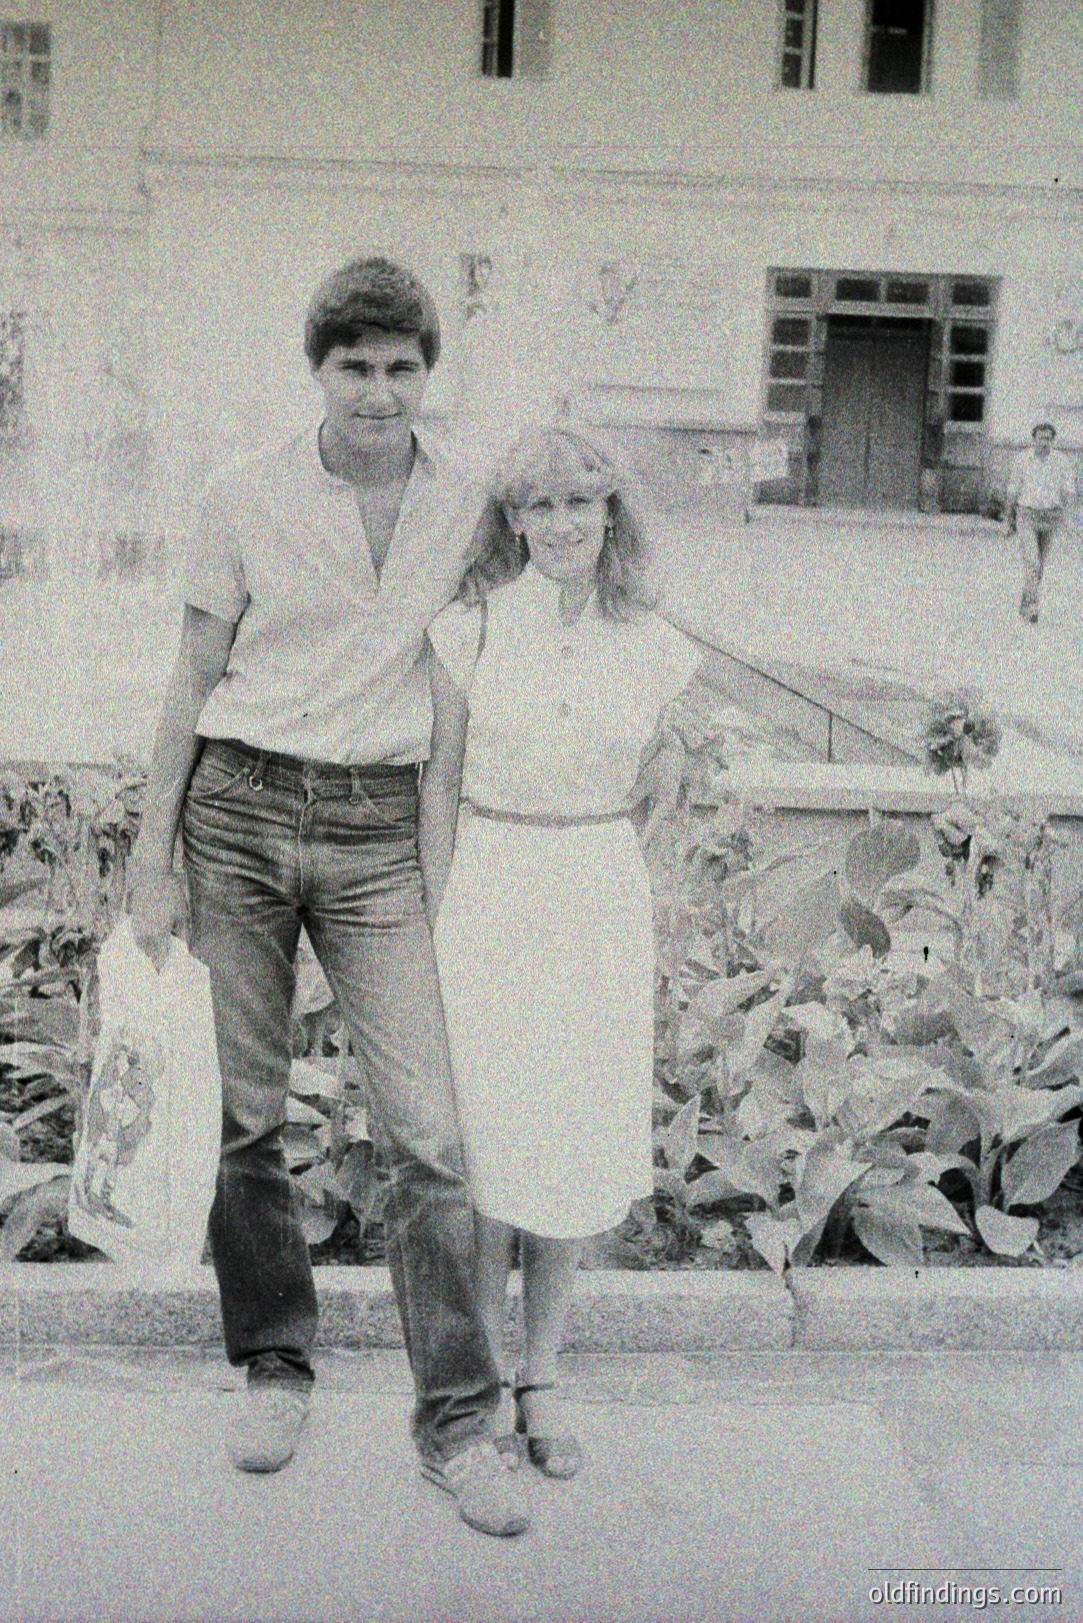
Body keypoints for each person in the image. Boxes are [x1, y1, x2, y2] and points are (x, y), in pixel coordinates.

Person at [125, 257, 529, 1538]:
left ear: (427, 376)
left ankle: (459, 1426)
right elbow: (193, 674)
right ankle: (275, 1363)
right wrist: (154, 852)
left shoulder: (468, 505)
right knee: (249, 1118)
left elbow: (480, 682)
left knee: (429, 1136)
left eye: (401, 367)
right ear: (318, 371)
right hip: (238, 812)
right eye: (353, 366)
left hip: (377, 835)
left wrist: (449, 853)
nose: (377, 390)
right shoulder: (242, 492)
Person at [419, 428, 703, 1479]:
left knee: (573, 1141)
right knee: (494, 1139)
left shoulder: (652, 640)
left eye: (582, 504)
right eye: (539, 507)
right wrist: (438, 913)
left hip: (595, 891)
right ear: (512, 522)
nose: (563, 526)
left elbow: (663, 772)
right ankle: (484, 1377)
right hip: (493, 886)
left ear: (613, 517)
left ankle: (544, 1375)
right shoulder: (471, 630)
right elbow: (437, 787)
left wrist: (658, 800)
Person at [1004, 422, 1077, 624]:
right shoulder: (1022, 460)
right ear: (1033, 439)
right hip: (1027, 515)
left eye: (1048, 438)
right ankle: (1032, 607)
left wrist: (1068, 518)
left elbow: (1069, 491)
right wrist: (1008, 518)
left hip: (1050, 517)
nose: (1043, 442)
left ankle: (1025, 602)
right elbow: (1013, 490)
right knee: (1032, 563)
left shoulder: (1062, 462)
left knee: (1040, 567)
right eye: (1040, 438)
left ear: (1053, 441)